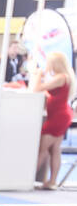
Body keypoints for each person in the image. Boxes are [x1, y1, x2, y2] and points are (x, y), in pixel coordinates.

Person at [31, 50, 74, 190]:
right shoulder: (64, 77)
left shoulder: (61, 77)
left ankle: (30, 178)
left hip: (58, 117)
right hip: (61, 115)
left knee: (42, 149)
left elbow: (36, 89)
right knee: (54, 149)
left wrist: (38, 75)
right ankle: (52, 181)